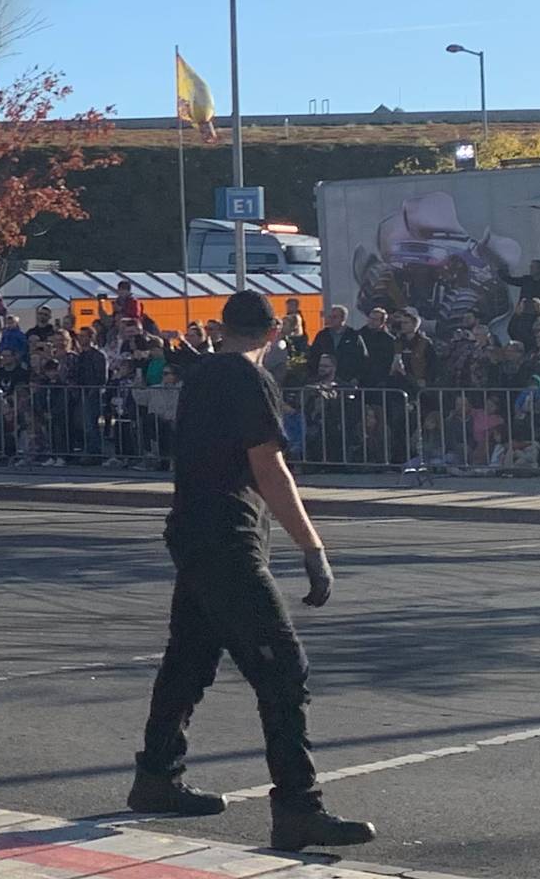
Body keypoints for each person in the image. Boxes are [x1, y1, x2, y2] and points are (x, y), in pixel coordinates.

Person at [127, 289, 375, 851]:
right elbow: (269, 465)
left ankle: (157, 776)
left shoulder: (203, 374)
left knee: (188, 659)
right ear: (272, 335)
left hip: (193, 531)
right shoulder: (246, 377)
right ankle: (297, 807)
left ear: (221, 326)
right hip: (227, 540)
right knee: (284, 670)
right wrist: (312, 548)